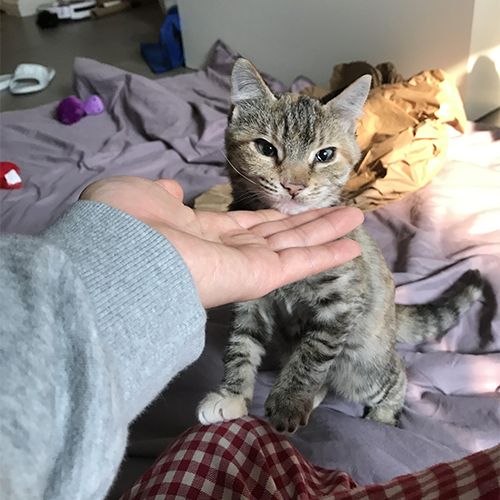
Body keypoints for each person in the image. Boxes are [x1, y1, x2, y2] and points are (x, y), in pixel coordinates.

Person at [0, 176, 363, 500]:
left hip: (352, 345)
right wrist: (114, 247)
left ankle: (387, 403)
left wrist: (106, 246)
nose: (294, 180)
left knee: (369, 376)